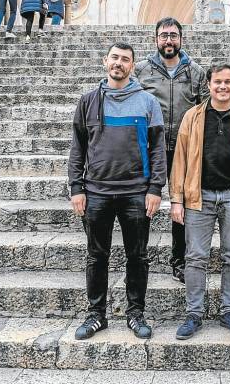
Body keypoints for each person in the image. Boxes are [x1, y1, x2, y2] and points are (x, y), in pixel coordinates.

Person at [68, 42, 167, 340]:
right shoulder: (88, 101)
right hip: (96, 192)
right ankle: (96, 314)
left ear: (132, 66)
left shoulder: (148, 103)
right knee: (96, 256)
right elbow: (78, 148)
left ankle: (135, 313)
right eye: (114, 58)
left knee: (137, 256)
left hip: (136, 192)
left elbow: (158, 150)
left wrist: (156, 188)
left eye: (125, 59)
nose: (119, 63)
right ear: (105, 62)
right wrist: (77, 187)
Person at [170, 64, 230, 340]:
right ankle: (194, 313)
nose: (222, 87)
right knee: (195, 257)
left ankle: (229, 311)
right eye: (217, 82)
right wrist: (177, 199)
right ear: (209, 85)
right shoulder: (193, 116)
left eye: (227, 82)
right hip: (198, 197)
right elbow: (180, 160)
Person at [135, 17, 209, 284]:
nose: (169, 40)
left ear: (181, 39)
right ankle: (138, 257)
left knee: (183, 205)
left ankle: (179, 260)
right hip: (150, 149)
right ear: (156, 39)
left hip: (184, 149)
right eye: (164, 35)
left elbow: (206, 111)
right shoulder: (140, 70)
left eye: (173, 35)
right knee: (142, 204)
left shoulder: (196, 72)